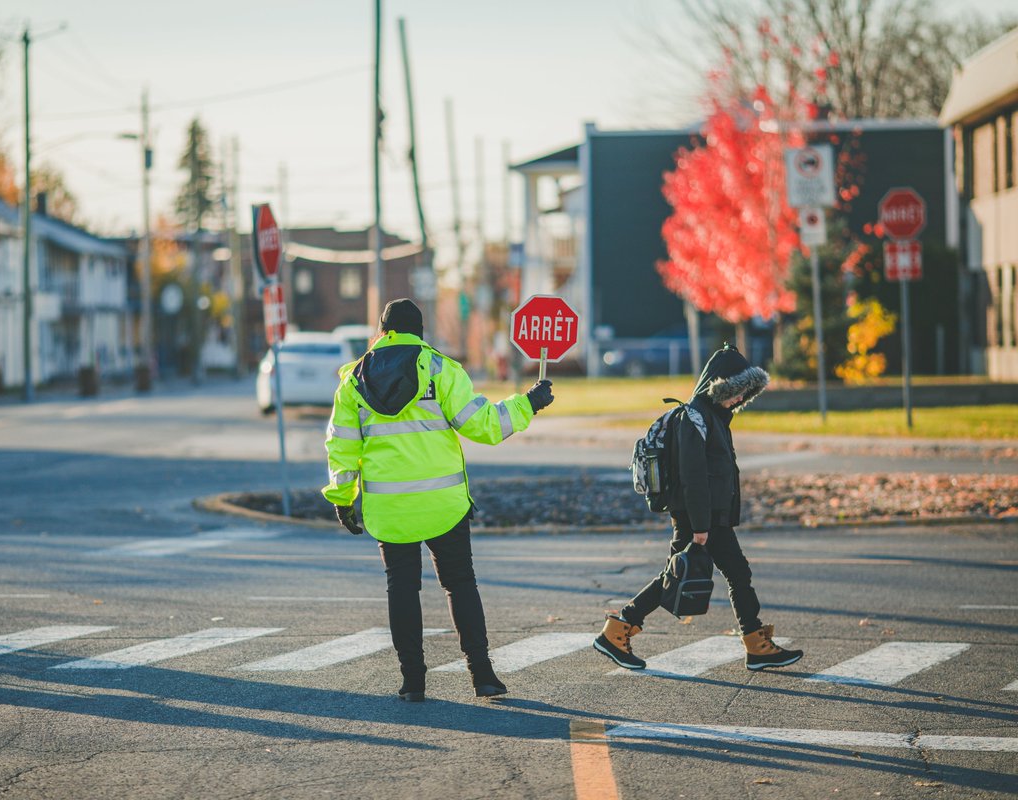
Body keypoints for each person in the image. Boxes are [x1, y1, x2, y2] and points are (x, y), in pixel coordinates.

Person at [322, 298, 555, 701]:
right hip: (444, 505)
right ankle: (482, 676)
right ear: (420, 331)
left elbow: (342, 448)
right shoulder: (439, 369)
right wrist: (528, 403)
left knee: (402, 589)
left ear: (382, 331)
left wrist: (344, 499)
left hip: (389, 509)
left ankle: (413, 682)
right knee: (460, 584)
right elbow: (481, 425)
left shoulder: (353, 383)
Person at [594, 344, 804, 671]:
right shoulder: (693, 417)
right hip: (698, 518)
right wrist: (701, 527)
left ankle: (753, 642)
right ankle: (618, 630)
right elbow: (694, 477)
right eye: (736, 392)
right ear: (719, 387)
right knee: (696, 576)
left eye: (745, 394)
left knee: (724, 574)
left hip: (711, 517)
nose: (739, 399)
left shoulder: (715, 418)